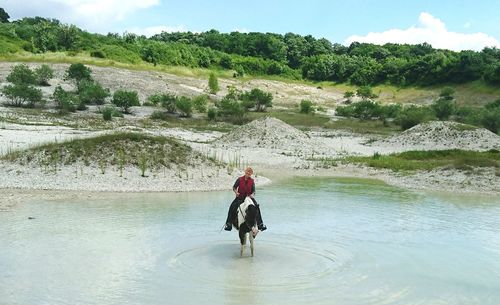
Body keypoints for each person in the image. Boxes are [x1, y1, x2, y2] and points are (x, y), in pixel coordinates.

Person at [224, 167, 267, 231]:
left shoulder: (252, 181)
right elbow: (234, 187)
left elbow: (254, 191)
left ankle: (260, 224)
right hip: (240, 197)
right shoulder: (239, 179)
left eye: (250, 172)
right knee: (232, 206)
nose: (248, 173)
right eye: (247, 171)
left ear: (251, 174)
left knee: (257, 207)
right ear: (245, 171)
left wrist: (252, 195)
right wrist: (236, 192)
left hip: (249, 198)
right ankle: (229, 224)